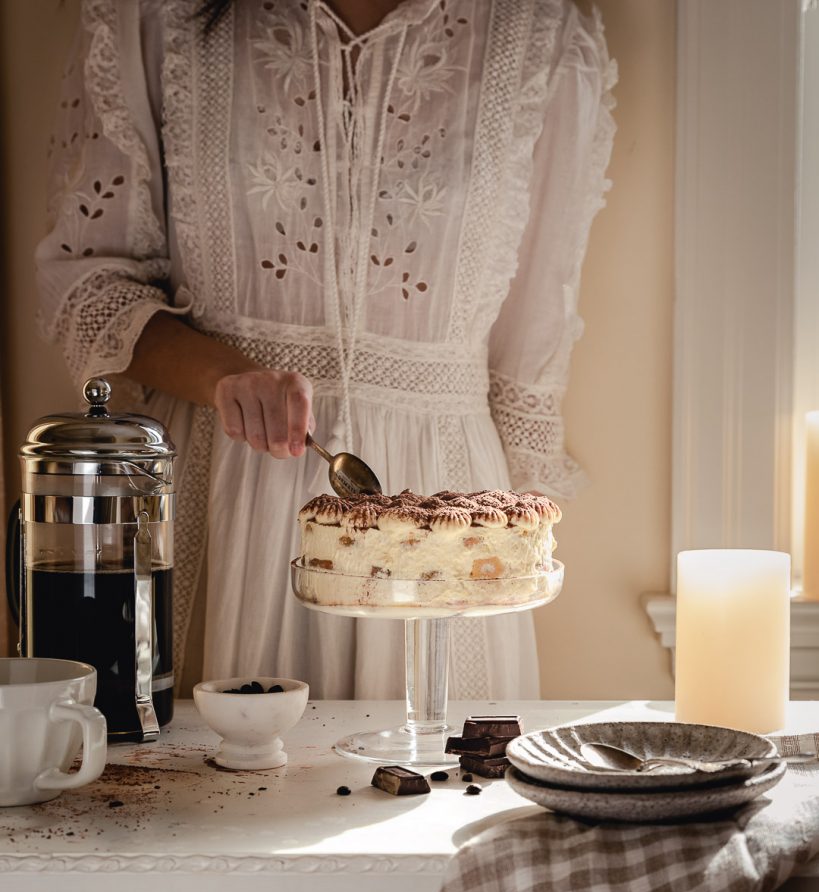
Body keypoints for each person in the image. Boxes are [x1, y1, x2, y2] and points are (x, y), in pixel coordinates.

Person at [36, 0, 616, 701]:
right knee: (221, 787)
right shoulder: (159, 18)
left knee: (437, 783)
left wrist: (499, 534)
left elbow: (532, 336)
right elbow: (89, 287)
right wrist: (226, 377)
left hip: (440, 514)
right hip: (228, 498)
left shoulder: (540, 33)